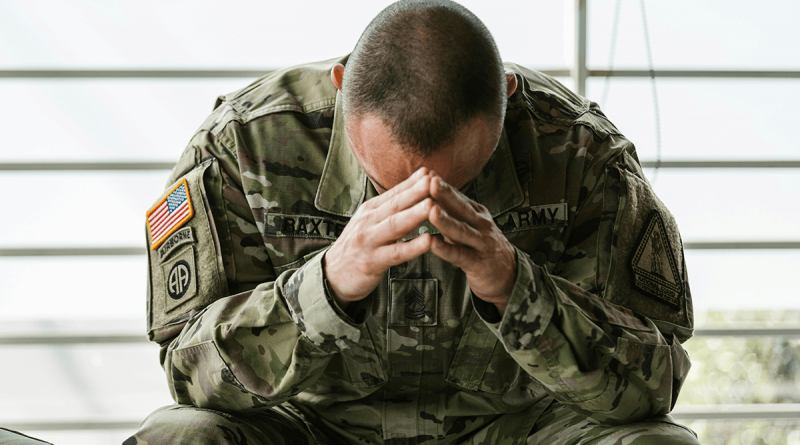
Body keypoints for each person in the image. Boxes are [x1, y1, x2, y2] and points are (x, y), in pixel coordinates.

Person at [129, 1, 699, 443]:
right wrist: (324, 287)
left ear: (507, 97)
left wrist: (516, 290)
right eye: (384, 179)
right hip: (312, 429)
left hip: (514, 428)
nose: (418, 204)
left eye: (456, 182)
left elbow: (655, 384)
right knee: (178, 437)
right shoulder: (243, 146)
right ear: (341, 86)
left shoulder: (581, 155)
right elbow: (189, 372)